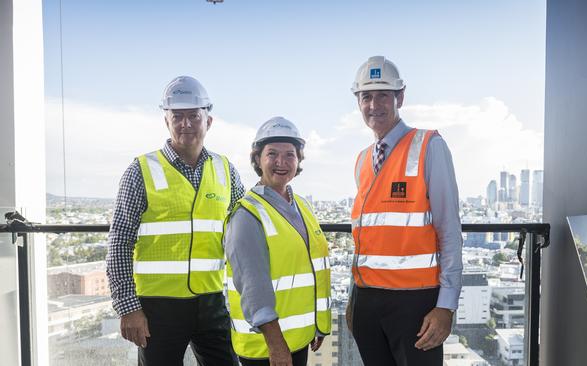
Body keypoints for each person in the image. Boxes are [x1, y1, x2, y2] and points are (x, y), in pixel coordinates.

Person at [106, 75, 243, 365]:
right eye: (177, 116)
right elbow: (119, 241)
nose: (186, 124)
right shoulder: (140, 170)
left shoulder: (225, 170)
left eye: (193, 115)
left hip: (211, 301)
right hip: (158, 308)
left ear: (209, 121)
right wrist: (127, 307)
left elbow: (243, 229)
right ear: (166, 121)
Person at [346, 56, 463, 366]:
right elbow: (364, 239)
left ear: (400, 97)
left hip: (415, 304)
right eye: (366, 96)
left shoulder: (429, 145)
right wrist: (352, 298)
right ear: (358, 102)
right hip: (366, 301)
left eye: (383, 94)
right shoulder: (361, 160)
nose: (374, 105)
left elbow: (449, 230)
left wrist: (446, 306)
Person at [224, 117, 331, 366]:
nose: (281, 162)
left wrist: (316, 324)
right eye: (272, 154)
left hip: (296, 338)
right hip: (266, 346)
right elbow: (253, 288)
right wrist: (276, 345)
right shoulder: (247, 214)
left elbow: (309, 268)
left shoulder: (302, 206)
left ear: (298, 160)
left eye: (289, 155)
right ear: (258, 160)